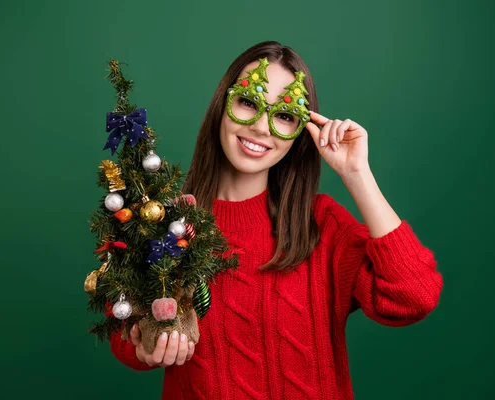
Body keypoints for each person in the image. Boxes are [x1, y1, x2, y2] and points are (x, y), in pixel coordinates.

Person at [107, 41, 443, 400]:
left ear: (300, 130)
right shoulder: (167, 227)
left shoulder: (322, 225)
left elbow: (414, 297)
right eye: (248, 102)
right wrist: (144, 349)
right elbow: (124, 335)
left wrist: (357, 173)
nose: (262, 128)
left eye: (284, 115)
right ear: (223, 105)